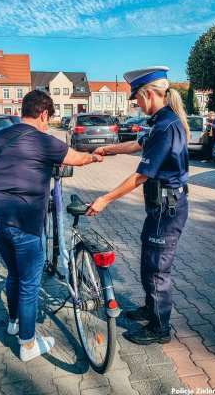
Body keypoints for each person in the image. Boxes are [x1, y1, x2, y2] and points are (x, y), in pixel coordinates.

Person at [0, 90, 103, 362]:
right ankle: (27, 346)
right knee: (28, 283)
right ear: (44, 114)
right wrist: (94, 156)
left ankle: (13, 324)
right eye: (49, 119)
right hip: (24, 221)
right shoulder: (45, 141)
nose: (48, 124)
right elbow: (78, 159)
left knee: (13, 272)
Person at [86, 66, 190, 345]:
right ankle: (150, 308)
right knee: (149, 261)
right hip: (161, 208)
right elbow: (136, 145)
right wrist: (107, 149)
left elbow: (140, 175)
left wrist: (104, 199)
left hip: (166, 209)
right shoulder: (162, 121)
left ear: (147, 94)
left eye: (137, 98)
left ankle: (159, 328)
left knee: (157, 269)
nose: (136, 104)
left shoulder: (165, 126)